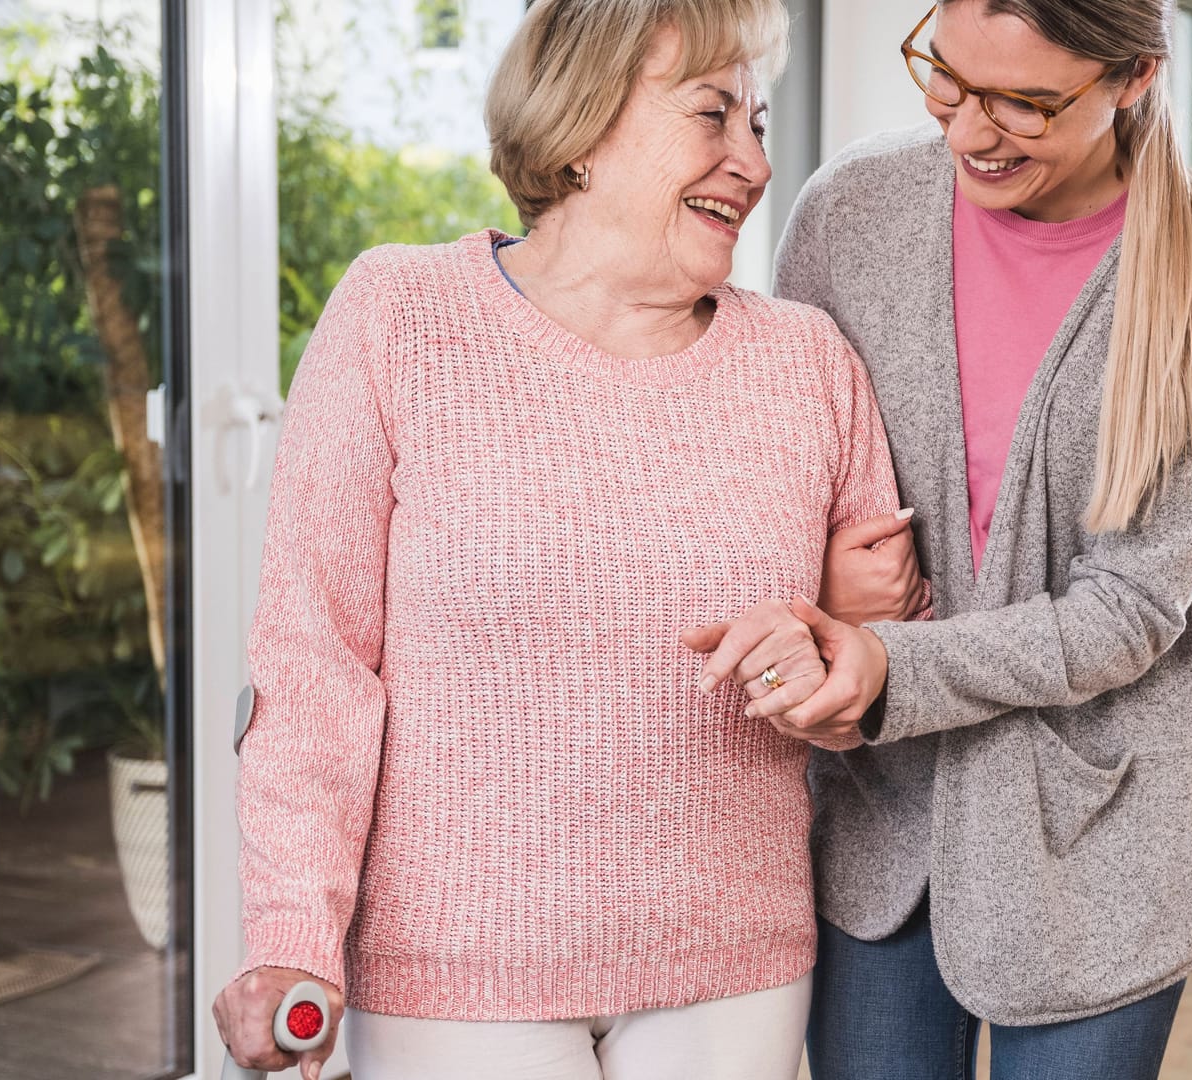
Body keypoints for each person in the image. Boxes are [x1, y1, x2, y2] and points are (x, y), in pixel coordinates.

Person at [211, 1, 926, 1077]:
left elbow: (884, 681)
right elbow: (316, 668)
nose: (752, 162)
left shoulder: (807, 362)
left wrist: (839, 653)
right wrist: (292, 937)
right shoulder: (399, 319)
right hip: (456, 970)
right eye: (713, 114)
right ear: (584, 124)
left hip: (732, 961)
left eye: (761, 123)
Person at [687, 2, 1192, 1077]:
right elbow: (788, 466)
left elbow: (1130, 614)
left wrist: (887, 663)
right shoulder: (850, 213)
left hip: (1101, 851)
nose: (970, 130)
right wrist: (821, 578)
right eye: (948, 78)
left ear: (1132, 79)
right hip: (884, 837)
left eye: (1025, 101)